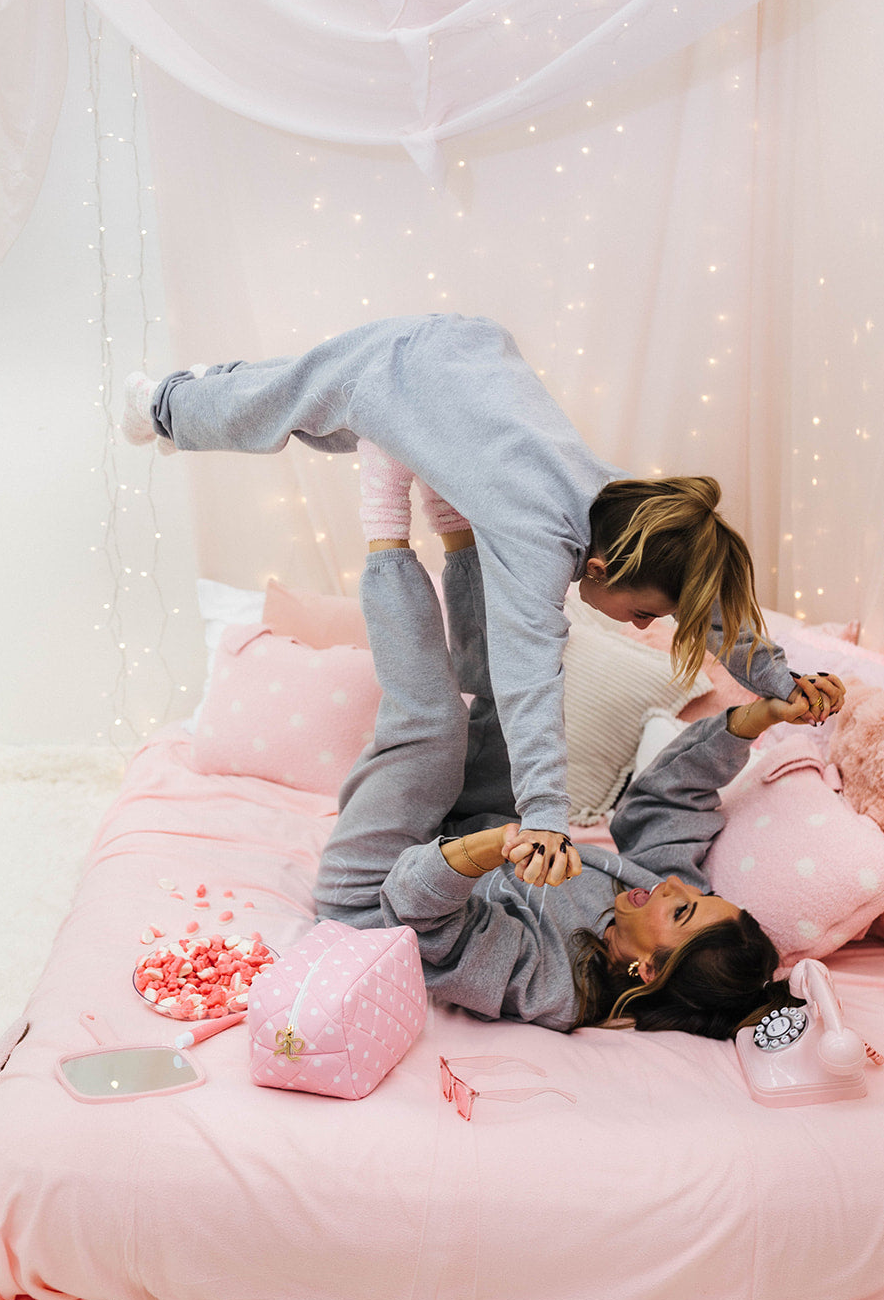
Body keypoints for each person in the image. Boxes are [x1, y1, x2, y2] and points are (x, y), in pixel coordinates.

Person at [122, 313, 845, 890]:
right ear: (595, 567)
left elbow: (713, 601)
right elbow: (529, 683)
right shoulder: (537, 542)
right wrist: (546, 817)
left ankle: (201, 391)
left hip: (466, 355)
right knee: (277, 409)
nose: (644, 625)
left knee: (311, 409)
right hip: (401, 371)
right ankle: (161, 403)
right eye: (644, 612)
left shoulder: (631, 505)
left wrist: (776, 680)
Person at [312, 534, 811, 1036]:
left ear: (650, 971)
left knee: (435, 727)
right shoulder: (653, 902)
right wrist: (754, 719)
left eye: (682, 908)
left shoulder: (551, 985)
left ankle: (385, 541)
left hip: (380, 898)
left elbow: (424, 922)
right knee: (520, 706)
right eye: (698, 894)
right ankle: (462, 534)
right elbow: (669, 799)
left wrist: (499, 845)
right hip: (467, 831)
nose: (674, 885)